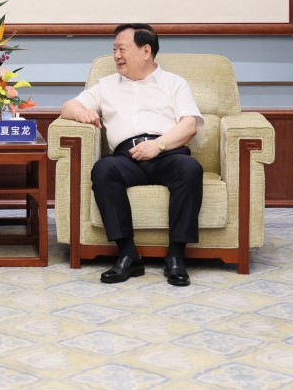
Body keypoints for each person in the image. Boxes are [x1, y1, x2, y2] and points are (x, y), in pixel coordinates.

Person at [60, 23, 204, 287]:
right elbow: (69, 106)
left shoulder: (174, 83)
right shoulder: (106, 86)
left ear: (146, 50)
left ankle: (176, 256)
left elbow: (189, 125)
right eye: (114, 49)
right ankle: (128, 255)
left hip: (167, 153)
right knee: (103, 170)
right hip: (126, 158)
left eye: (122, 49)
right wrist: (81, 113)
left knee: (190, 169)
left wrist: (158, 145)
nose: (116, 55)